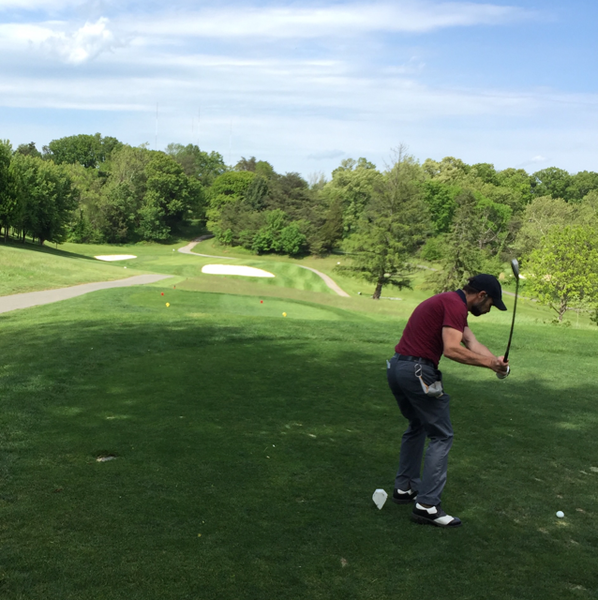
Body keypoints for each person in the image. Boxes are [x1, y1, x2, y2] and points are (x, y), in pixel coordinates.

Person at [386, 274, 510, 528]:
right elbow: (451, 349)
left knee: (418, 425)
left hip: (398, 368)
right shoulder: (455, 305)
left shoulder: (450, 302)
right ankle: (427, 506)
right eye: (491, 304)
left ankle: (405, 487)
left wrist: (496, 364)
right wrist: (489, 363)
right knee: (442, 435)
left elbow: (471, 342)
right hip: (418, 372)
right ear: (482, 295)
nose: (489, 309)